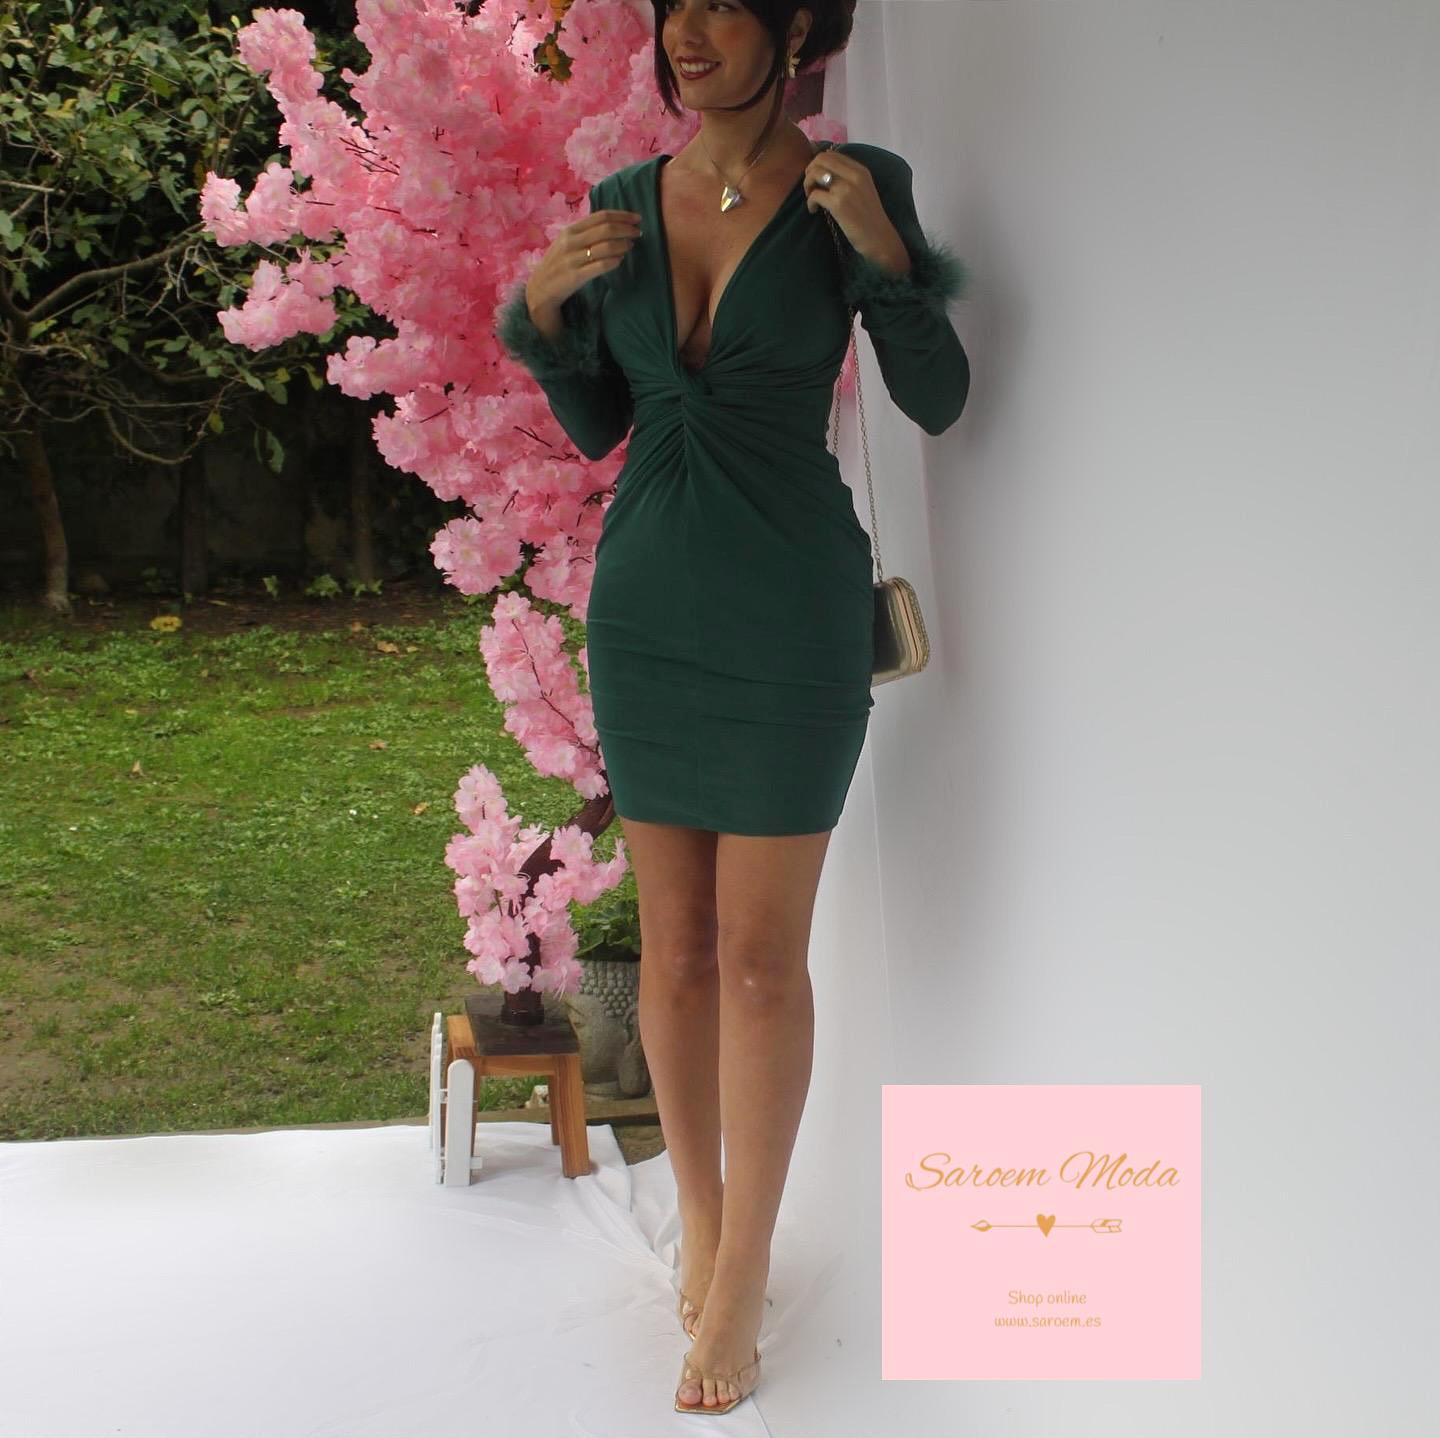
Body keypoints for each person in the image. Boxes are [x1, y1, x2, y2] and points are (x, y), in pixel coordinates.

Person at [494, 0, 970, 1414]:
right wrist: (543, 315)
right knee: (678, 955)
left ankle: (748, 1259)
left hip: (787, 609)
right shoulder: (623, 200)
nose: (685, 32)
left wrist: (885, 258)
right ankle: (700, 1222)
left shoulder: (854, 186)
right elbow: (602, 423)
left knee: (762, 962)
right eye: (671, 8)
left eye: (719, 5)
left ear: (794, 24)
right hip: (646, 608)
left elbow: (938, 395)